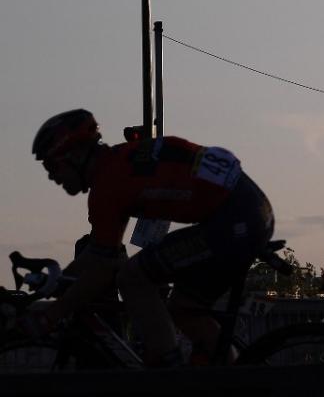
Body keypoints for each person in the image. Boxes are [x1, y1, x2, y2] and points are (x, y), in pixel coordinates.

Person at [22, 109, 275, 366]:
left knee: (133, 276)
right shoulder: (116, 164)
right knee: (183, 309)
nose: (51, 176)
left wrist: (50, 316)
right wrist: (59, 281)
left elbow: (103, 269)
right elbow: (99, 254)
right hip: (247, 212)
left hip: (235, 220)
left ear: (76, 155)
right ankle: (232, 379)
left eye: (52, 166)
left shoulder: (107, 186)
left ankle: (165, 373)